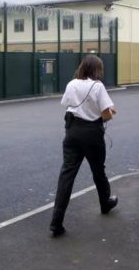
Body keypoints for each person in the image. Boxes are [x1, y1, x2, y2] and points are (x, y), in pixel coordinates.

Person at [50, 55, 118, 237]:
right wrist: (110, 111)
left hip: (72, 132)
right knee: (98, 170)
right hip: (91, 134)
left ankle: (56, 222)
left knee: (67, 175)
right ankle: (105, 203)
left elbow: (68, 104)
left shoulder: (72, 84)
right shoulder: (98, 86)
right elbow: (106, 115)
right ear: (97, 69)